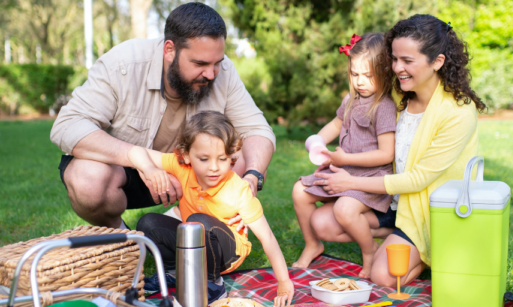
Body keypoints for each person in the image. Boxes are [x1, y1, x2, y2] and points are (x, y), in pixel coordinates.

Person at [50, 2, 274, 230]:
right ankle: (124, 239)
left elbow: (258, 131)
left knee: (248, 153)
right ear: (170, 50)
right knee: (86, 179)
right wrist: (137, 157)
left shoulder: (223, 73)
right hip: (128, 172)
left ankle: (188, 227)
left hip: (193, 173)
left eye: (217, 63)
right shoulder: (123, 63)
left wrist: (253, 177)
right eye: (200, 63)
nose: (210, 74)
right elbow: (67, 125)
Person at [312, 15, 486, 286]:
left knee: (384, 276)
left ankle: (432, 253)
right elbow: (352, 117)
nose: (397, 68)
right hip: (393, 203)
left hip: (426, 212)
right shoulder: (398, 95)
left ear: (437, 62)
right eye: (394, 59)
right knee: (322, 223)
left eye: (407, 61)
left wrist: (350, 181)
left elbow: (418, 179)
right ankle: (394, 238)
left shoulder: (458, 113)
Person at [129, 111, 294, 307]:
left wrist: (284, 282)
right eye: (204, 159)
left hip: (226, 253)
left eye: (222, 159)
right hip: (194, 242)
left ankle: (212, 284)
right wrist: (149, 169)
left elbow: (267, 237)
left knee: (199, 221)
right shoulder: (182, 167)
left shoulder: (238, 190)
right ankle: (173, 271)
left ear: (231, 156)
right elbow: (135, 152)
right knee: (147, 222)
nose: (214, 167)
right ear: (187, 156)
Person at [292, 33, 397, 278]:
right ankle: (312, 244)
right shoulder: (351, 99)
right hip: (342, 169)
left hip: (370, 177)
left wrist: (345, 159)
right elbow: (336, 124)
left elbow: (386, 153)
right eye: (354, 74)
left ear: (384, 72)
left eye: (368, 75)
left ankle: (369, 250)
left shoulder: (384, 106)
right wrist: (318, 140)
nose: (360, 81)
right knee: (299, 191)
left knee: (345, 210)